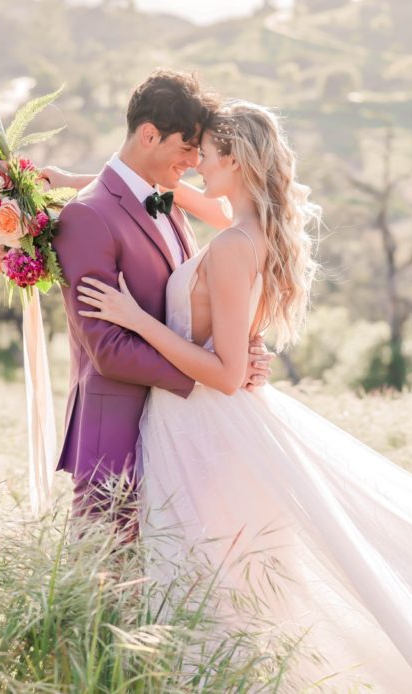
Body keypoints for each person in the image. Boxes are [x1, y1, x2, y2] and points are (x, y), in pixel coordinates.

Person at [72, 99, 412, 690]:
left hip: (202, 426)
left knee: (204, 579)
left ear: (235, 160)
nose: (196, 168)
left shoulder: (233, 245)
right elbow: (150, 197)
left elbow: (228, 373)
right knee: (223, 583)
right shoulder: (249, 223)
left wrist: (135, 317)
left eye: (204, 157)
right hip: (204, 421)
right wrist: (68, 183)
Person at [50, 70, 271, 533]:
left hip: (179, 436)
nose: (194, 161)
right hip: (117, 434)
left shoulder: (165, 199)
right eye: (187, 146)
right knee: (102, 589)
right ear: (150, 135)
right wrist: (213, 374)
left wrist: (236, 355)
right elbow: (106, 350)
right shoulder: (86, 217)